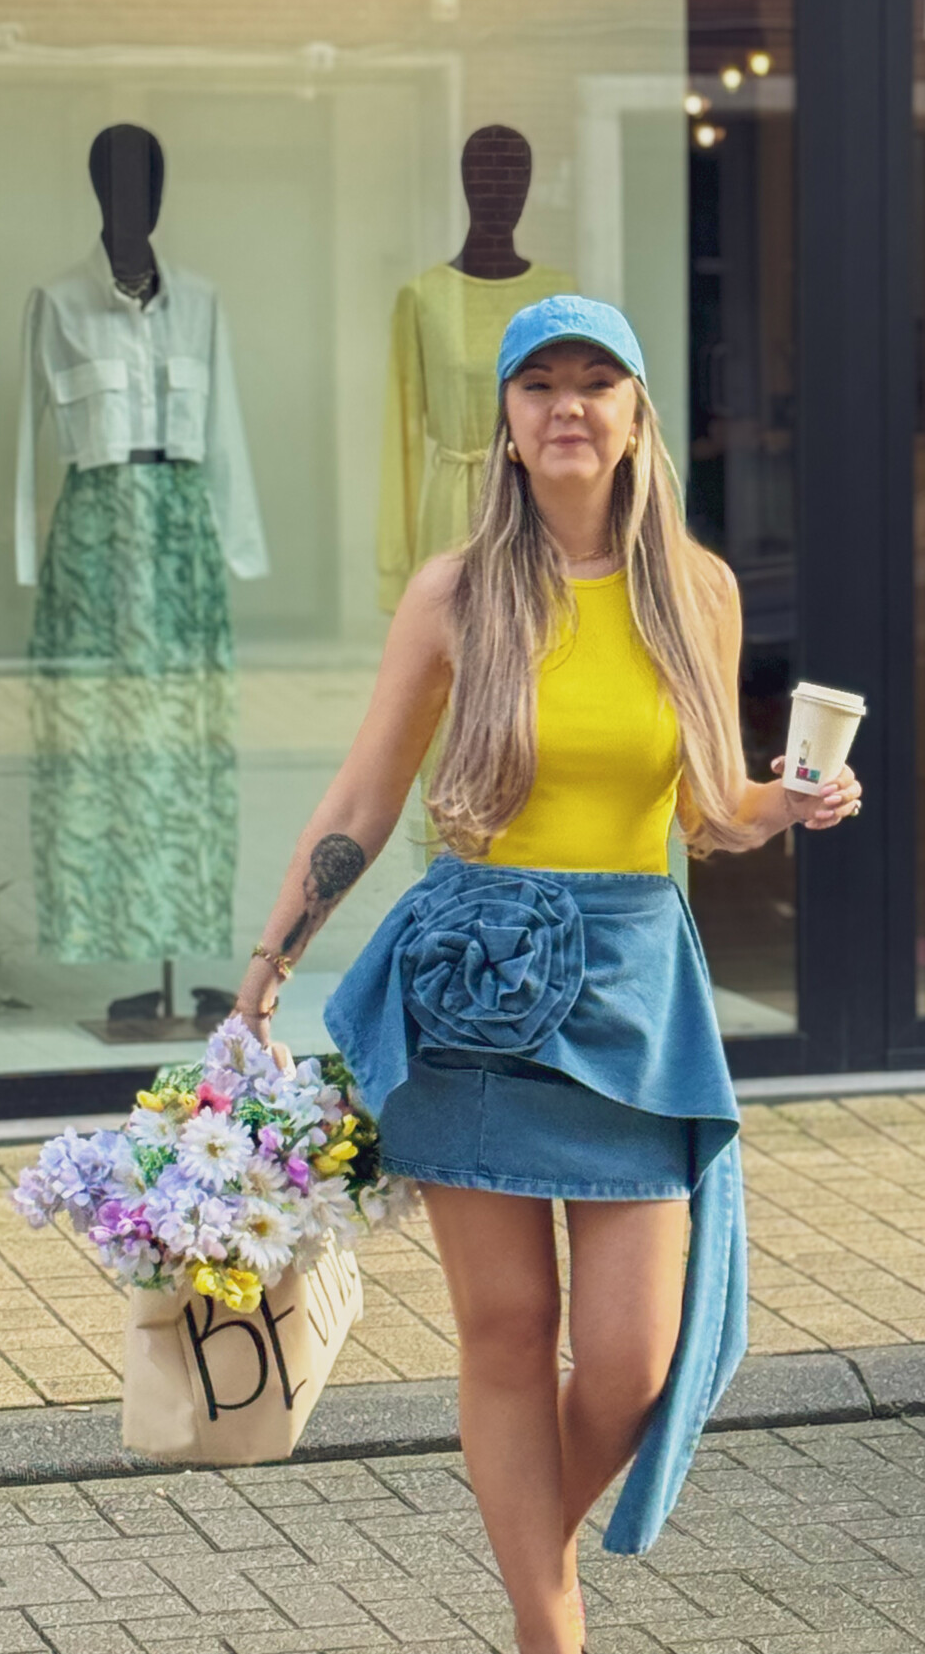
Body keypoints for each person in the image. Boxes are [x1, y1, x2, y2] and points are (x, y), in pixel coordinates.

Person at [234, 295, 861, 1654]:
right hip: (470, 982)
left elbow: (705, 811)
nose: (567, 407)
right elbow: (364, 793)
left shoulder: (696, 588)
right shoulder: (455, 594)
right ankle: (548, 1630)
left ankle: (534, 1561)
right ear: (508, 427)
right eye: (541, 387)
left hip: (634, 987)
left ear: (638, 415)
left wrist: (785, 802)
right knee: (509, 1327)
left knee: (632, 1362)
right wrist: (270, 956)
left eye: (597, 383)